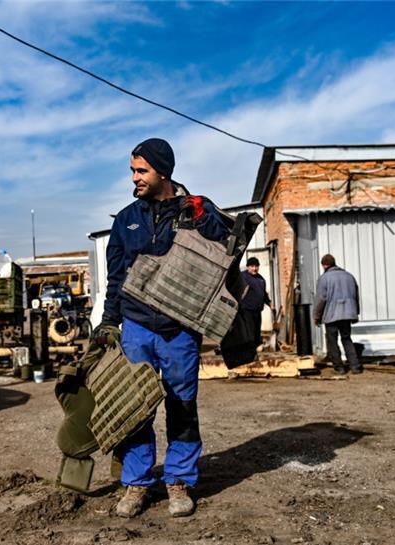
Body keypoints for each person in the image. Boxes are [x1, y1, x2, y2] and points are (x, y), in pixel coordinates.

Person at [94, 138, 229, 518]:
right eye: (133, 171)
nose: (134, 178)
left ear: (163, 171)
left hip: (180, 329)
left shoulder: (195, 209)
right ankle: (137, 483)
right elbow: (116, 277)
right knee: (135, 406)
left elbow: (227, 244)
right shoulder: (126, 219)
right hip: (137, 326)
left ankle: (179, 480)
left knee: (182, 406)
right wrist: (108, 321)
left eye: (141, 171)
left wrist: (205, 216)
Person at [313, 254, 362, 374]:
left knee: (332, 341)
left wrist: (316, 316)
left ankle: (339, 368)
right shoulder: (349, 276)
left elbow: (321, 300)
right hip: (347, 314)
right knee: (346, 339)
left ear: (324, 265)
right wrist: (356, 312)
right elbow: (356, 296)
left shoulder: (324, 278)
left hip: (331, 315)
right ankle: (355, 367)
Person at [240, 256, 272, 348]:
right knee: (250, 331)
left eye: (256, 266)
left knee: (256, 331)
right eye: (252, 266)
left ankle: (254, 349)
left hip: (257, 310)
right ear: (247, 267)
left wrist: (269, 303)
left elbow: (263, 293)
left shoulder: (260, 279)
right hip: (246, 310)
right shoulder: (243, 277)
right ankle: (250, 351)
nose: (254, 268)